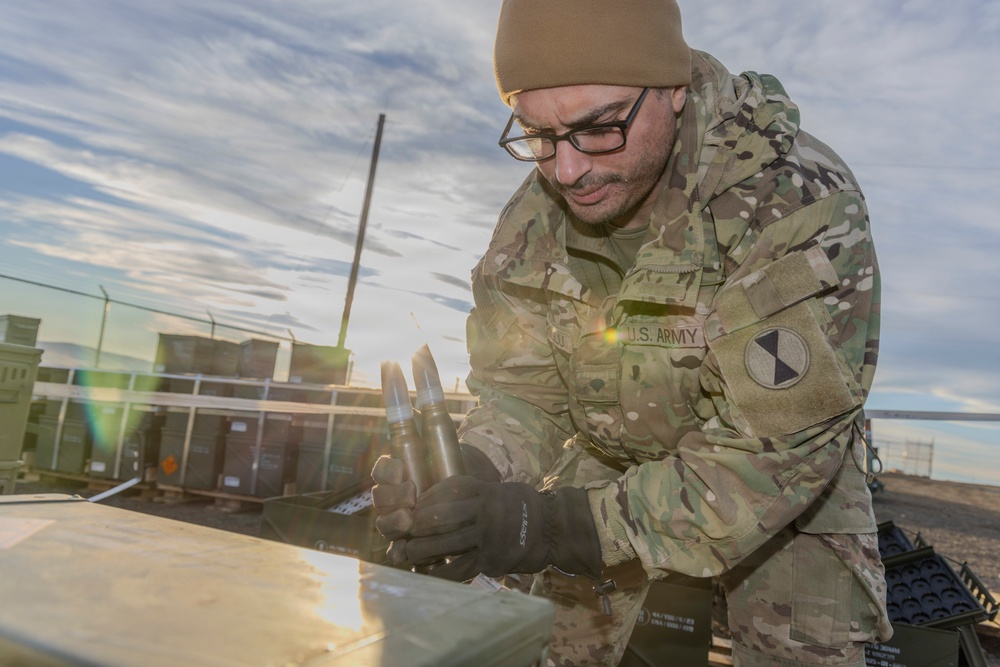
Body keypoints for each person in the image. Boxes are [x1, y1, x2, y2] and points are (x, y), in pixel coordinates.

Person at [372, 0, 893, 664]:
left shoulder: (791, 204)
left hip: (778, 480)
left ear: (673, 90)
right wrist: (472, 470)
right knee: (550, 649)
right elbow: (523, 393)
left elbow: (768, 455)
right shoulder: (534, 223)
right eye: (538, 134)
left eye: (599, 128)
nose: (566, 170)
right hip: (607, 456)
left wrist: (552, 525)